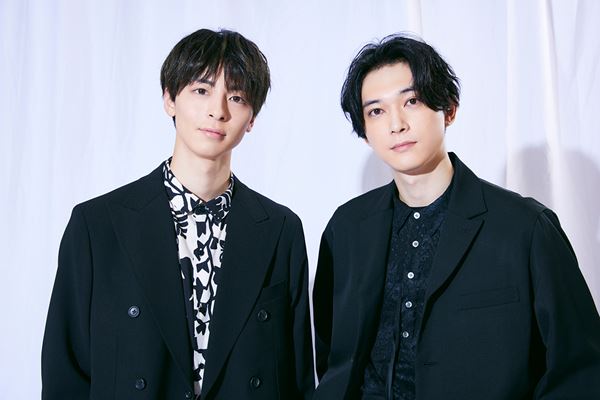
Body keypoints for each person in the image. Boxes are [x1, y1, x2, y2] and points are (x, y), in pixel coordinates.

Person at [312, 33, 600, 399]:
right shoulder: (346, 228)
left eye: (412, 101)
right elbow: (334, 356)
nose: (396, 124)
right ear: (365, 132)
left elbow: (580, 369)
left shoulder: (525, 228)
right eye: (376, 111)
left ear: (449, 108)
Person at [42, 28, 314, 399]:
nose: (217, 111)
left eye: (236, 97)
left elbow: (297, 378)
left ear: (252, 118)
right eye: (201, 91)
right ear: (170, 99)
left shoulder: (280, 230)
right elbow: (65, 373)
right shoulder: (97, 225)